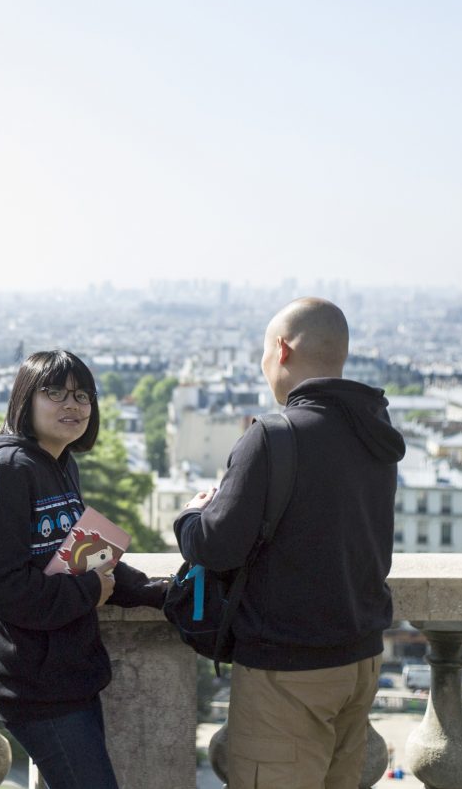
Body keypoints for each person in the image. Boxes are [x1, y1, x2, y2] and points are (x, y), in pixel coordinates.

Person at [175, 298, 405, 789]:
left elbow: (214, 547)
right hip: (360, 658)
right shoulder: (377, 433)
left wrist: (193, 513)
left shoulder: (275, 437)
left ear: (281, 349)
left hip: (289, 667)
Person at [0, 350, 167, 789]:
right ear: (25, 400)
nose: (72, 405)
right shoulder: (7, 471)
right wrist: (90, 591)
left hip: (66, 673)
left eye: (82, 395)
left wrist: (154, 590)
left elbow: (82, 553)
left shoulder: (60, 463)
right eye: (54, 392)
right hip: (34, 683)